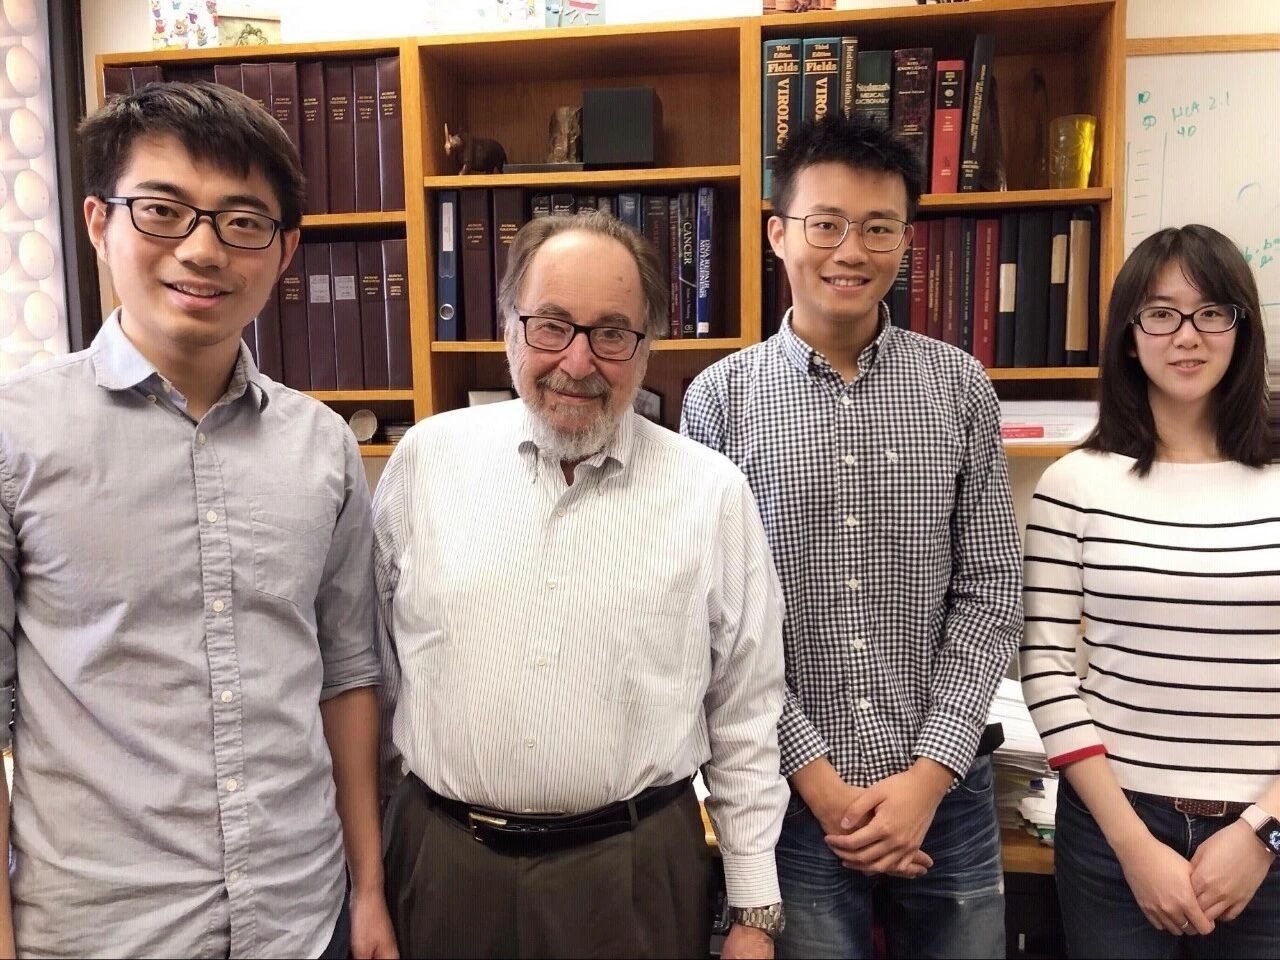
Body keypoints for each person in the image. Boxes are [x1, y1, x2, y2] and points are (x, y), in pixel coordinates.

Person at [0, 82, 396, 958]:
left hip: (302, 917)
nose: (203, 249)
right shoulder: (15, 436)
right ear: (99, 223)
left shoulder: (323, 446)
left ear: (285, 250)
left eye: (242, 221)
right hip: (102, 933)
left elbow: (347, 674)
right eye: (163, 211)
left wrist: (367, 889)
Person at [374, 211, 789, 960]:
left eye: (611, 333)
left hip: (633, 872)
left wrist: (754, 915)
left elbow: (747, 708)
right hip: (443, 865)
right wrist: (367, 878)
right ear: (508, 327)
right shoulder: (424, 464)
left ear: (645, 346)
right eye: (551, 326)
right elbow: (372, 674)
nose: (577, 361)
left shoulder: (711, 492)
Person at [682, 114, 1023, 959]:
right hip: (793, 804)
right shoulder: (718, 400)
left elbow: (989, 592)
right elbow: (718, 621)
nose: (851, 250)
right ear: (778, 233)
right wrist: (820, 782)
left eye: (879, 228)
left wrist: (929, 776)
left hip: (948, 793)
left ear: (906, 240)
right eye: (825, 224)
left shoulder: (961, 388)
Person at [1021, 224, 1280, 958]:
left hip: (1270, 833)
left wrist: (1263, 832)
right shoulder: (1076, 483)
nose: (1186, 336)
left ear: (1242, 325)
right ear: (1129, 334)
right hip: (1117, 829)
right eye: (1160, 313)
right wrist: (1132, 844)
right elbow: (1043, 665)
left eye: (1211, 311)